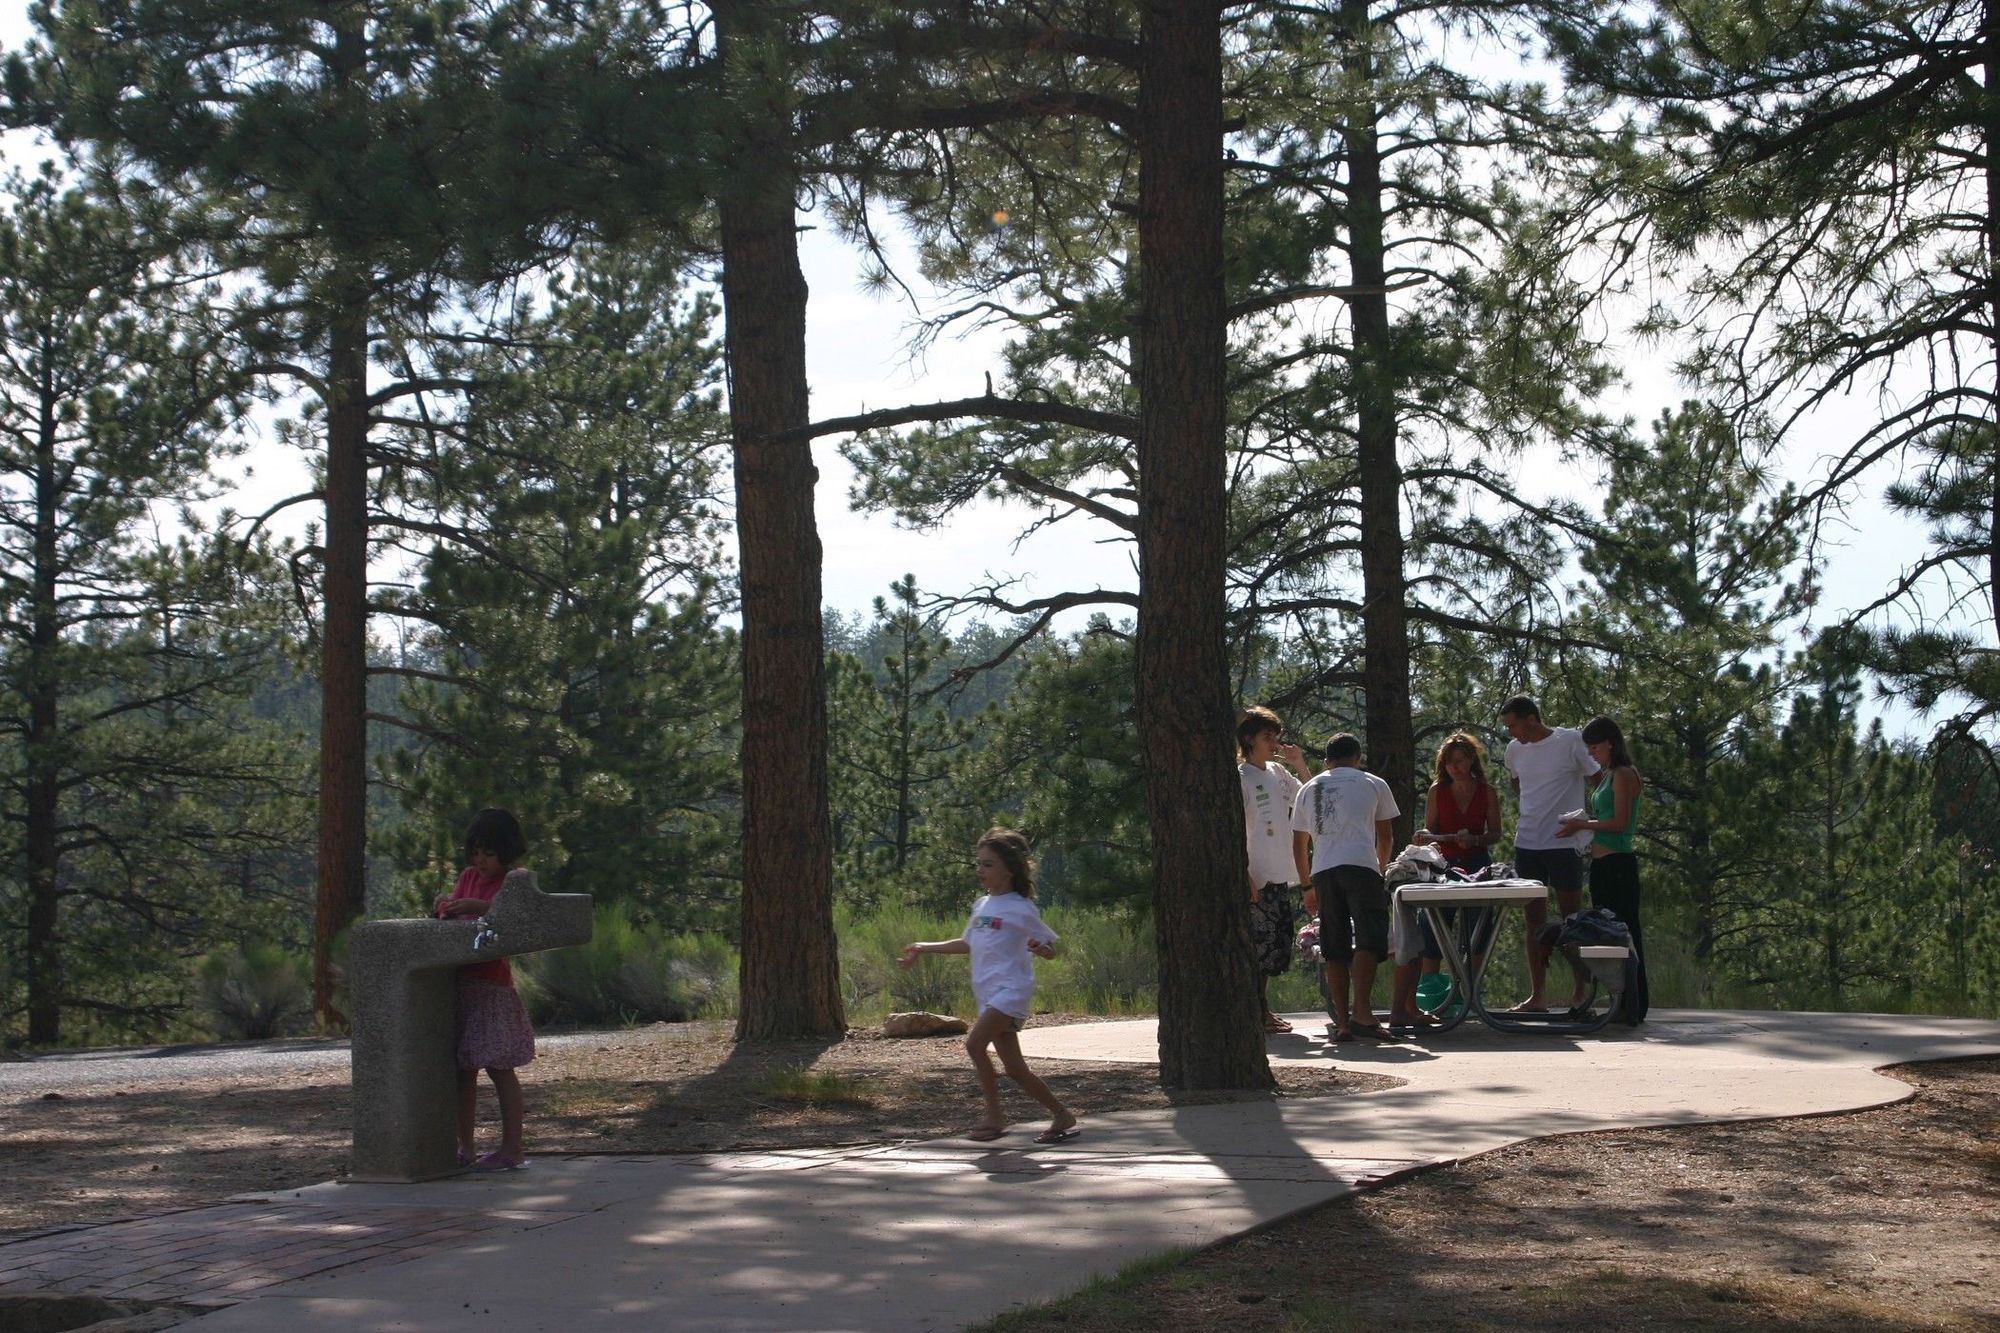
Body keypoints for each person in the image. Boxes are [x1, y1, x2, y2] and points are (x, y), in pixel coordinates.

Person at [899, 827, 1080, 1144]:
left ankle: (994, 1117)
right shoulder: (981, 906)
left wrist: (1041, 949)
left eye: (988, 864)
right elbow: (966, 943)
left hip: (1011, 991)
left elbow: (1049, 949)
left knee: (973, 1045)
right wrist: (923, 947)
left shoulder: (1021, 907)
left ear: (1009, 869)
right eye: (979, 863)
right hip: (988, 995)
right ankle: (1062, 1114)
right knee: (1015, 1069)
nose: (980, 870)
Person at [431, 807, 537, 1171]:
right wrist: (447, 906)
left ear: (506, 852)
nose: (480, 861)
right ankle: (465, 1146)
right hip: (462, 984)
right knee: (463, 1071)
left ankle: (512, 1147)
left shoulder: (513, 881)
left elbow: (513, 920)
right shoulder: (467, 877)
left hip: (491, 986)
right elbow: (456, 915)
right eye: (475, 853)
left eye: (489, 854)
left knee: (499, 1067)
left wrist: (481, 908)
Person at [1291, 733, 1400, 1042]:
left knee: (1333, 946)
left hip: (1323, 872)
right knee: (1368, 940)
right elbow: (1386, 836)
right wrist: (1379, 869)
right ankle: (1362, 1014)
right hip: (1360, 866)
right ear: (1358, 757)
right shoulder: (1373, 783)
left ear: (1327, 761)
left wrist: (1306, 886)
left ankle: (1341, 1022)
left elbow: (1299, 845)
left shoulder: (1308, 789)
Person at [1499, 695, 1600, 1011]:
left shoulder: (1570, 740)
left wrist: (1590, 822)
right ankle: (1538, 995)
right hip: (1527, 844)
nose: (1512, 733)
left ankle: (1580, 992)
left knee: (1573, 920)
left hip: (1563, 844)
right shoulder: (1514, 751)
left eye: (1514, 725)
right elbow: (1518, 785)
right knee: (1534, 923)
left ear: (1531, 718)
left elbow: (1599, 780)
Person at [1559, 716, 1649, 1024]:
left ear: (1611, 742)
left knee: (1623, 936)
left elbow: (1620, 821)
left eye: (1595, 747)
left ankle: (1634, 1003)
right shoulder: (1609, 775)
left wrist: (1582, 824)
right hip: (1600, 863)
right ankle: (1617, 1000)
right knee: (1606, 936)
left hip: (1618, 863)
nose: (1592, 754)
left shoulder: (1624, 774)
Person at [1237, 706, 1313, 1034]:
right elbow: (1233, 830)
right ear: (1248, 739)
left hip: (1281, 871)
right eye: (1266, 736)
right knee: (1257, 948)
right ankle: (1258, 1014)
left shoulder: (1278, 774)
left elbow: (1309, 799)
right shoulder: (1240, 777)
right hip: (1257, 874)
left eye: (1275, 736)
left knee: (1274, 949)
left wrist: (1298, 764)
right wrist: (1245, 876)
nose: (1273, 742)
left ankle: (1261, 1011)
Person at [1410, 732, 1502, 997]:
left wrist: (1474, 839)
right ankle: (1431, 988)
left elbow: (1495, 833)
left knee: (1479, 924)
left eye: (1460, 761)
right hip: (1444, 864)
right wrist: (1424, 835)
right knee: (1433, 923)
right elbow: (1432, 827)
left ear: (1471, 760)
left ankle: (1468, 987)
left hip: (1477, 863)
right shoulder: (1437, 791)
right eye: (1450, 762)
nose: (1455, 767)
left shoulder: (1487, 792)